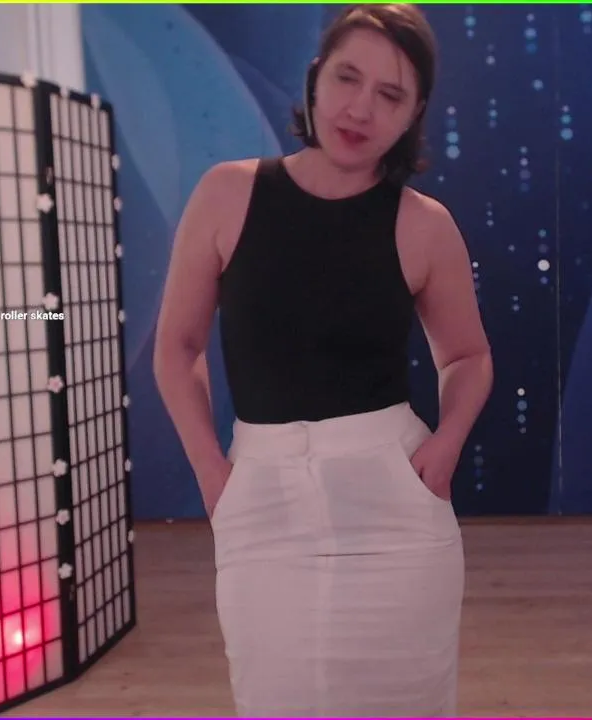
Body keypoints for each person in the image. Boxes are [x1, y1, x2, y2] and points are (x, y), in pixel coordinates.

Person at [152, 4, 493, 717]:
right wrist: (211, 472)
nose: (360, 108)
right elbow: (177, 347)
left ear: (414, 114)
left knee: (404, 700)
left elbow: (467, 355)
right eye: (347, 78)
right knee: (272, 695)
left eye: (390, 94)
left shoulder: (424, 226)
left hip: (394, 498)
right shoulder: (227, 194)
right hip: (260, 491)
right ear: (315, 78)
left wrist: (446, 448)